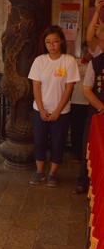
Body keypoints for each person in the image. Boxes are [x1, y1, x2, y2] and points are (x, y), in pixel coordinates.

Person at [28, 25, 79, 187]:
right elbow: (36, 87)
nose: (51, 45)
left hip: (61, 111)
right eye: (48, 42)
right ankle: (40, 171)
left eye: (55, 41)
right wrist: (42, 109)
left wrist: (57, 111)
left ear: (61, 42)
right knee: (39, 141)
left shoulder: (68, 61)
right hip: (40, 110)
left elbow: (68, 88)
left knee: (58, 142)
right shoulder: (39, 61)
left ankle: (52, 174)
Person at [72, 24, 104, 194]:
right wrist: (101, 107)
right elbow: (86, 89)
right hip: (97, 112)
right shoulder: (96, 61)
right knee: (89, 145)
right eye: (102, 40)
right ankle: (83, 181)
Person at [70, 41, 91, 162]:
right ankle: (76, 153)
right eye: (86, 51)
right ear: (83, 51)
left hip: (90, 102)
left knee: (87, 129)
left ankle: (86, 152)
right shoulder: (76, 63)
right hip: (76, 101)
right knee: (76, 129)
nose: (88, 54)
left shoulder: (97, 64)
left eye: (90, 51)